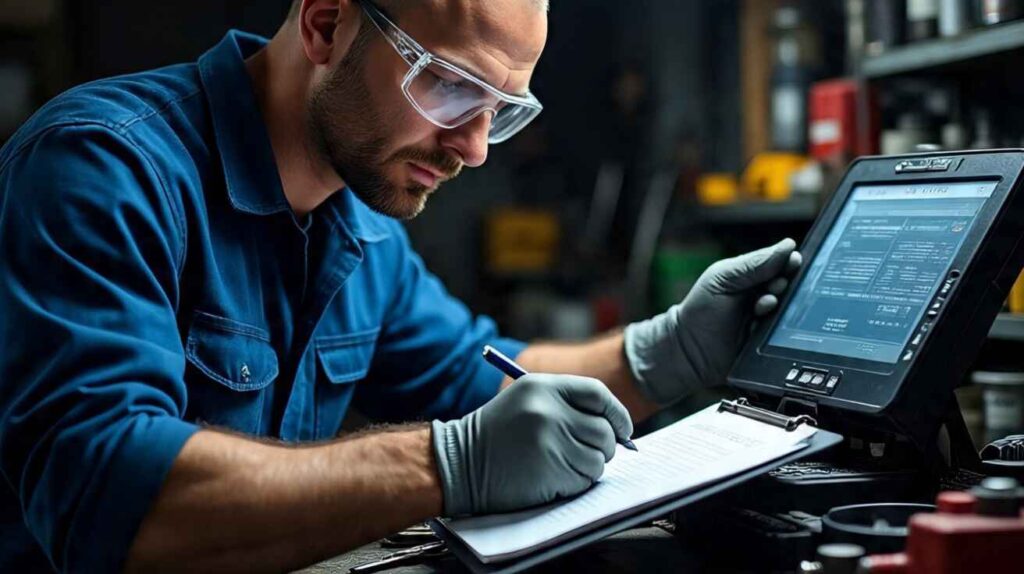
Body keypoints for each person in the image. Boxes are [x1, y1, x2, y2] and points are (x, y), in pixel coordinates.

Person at [0, 0, 801, 571]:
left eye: (502, 110)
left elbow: (477, 378)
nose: (477, 148)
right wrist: (447, 464)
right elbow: (102, 493)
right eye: (452, 88)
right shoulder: (104, 167)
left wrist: (663, 354)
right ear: (324, 24)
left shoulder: (361, 221)